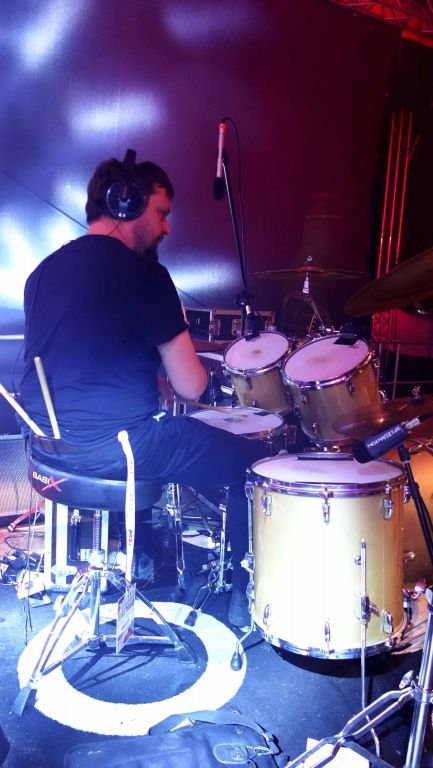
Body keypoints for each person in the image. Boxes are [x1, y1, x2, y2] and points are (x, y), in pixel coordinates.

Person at [18, 150, 268, 627]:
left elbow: (76, 362)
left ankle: (147, 557)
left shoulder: (42, 272)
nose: (167, 228)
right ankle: (244, 598)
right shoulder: (147, 276)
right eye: (162, 212)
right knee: (250, 465)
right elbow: (191, 385)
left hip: (47, 449)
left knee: (148, 428)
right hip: (118, 450)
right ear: (126, 203)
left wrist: (144, 372)